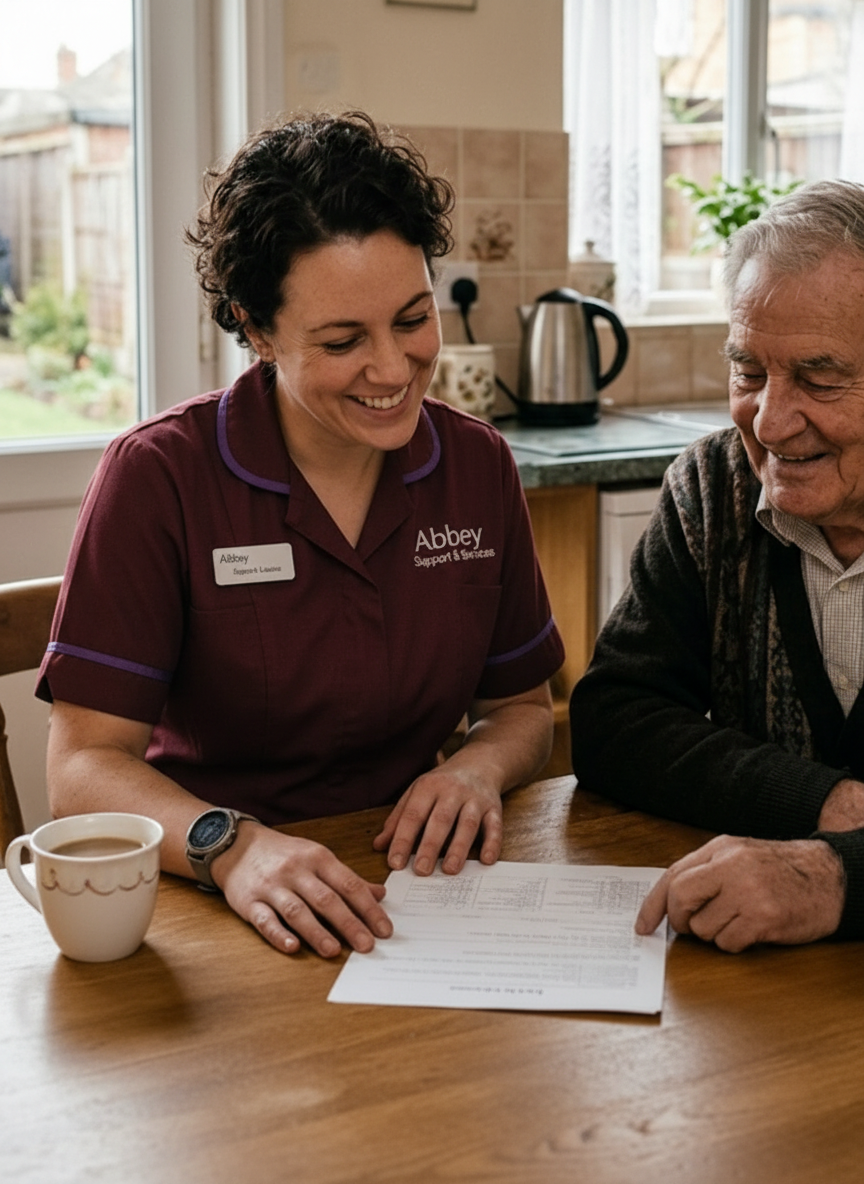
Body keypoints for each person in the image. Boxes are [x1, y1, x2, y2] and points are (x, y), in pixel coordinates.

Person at [38, 111, 564, 959]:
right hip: (212, 903)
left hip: (417, 897)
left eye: (412, 318)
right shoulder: (158, 478)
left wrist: (475, 768)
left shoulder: (476, 466)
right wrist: (231, 847)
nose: (393, 369)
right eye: (342, 340)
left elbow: (521, 710)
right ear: (255, 327)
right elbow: (82, 770)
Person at [570, 178, 864, 952]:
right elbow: (614, 724)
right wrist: (825, 803)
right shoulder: (714, 485)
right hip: (755, 995)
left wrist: (834, 878)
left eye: (819, 378)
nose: (768, 420)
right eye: (749, 372)